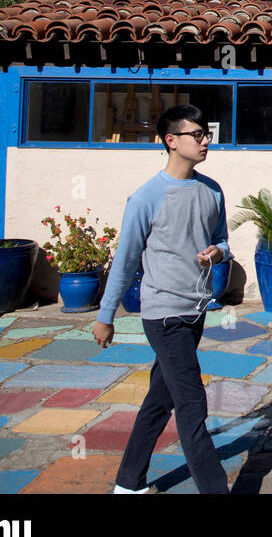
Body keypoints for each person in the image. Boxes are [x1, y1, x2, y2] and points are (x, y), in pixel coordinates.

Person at [93, 104, 231, 494]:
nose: (206, 141)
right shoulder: (145, 198)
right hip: (164, 315)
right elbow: (124, 261)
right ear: (171, 141)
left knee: (160, 398)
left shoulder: (212, 190)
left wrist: (217, 253)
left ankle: (128, 482)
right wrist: (106, 316)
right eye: (197, 135)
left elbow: (223, 242)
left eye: (207, 134)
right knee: (192, 404)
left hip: (196, 310)